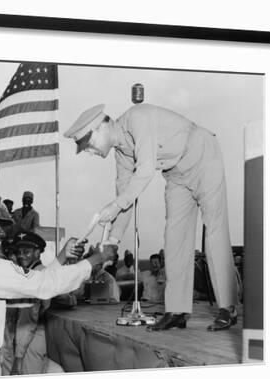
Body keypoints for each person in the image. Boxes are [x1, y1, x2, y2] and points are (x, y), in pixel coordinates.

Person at [64, 103, 238, 331]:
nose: (89, 151)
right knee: (174, 239)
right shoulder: (122, 155)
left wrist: (115, 206)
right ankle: (177, 311)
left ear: (100, 128)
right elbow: (127, 198)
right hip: (175, 174)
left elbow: (145, 171)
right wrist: (112, 240)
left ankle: (228, 308)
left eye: (88, 144)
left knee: (214, 230)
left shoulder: (137, 118)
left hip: (201, 153)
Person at [0, 195, 116, 378]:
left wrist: (63, 256)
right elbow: (43, 285)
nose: (1, 233)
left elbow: (33, 286)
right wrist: (96, 259)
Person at [0, 231, 59, 375]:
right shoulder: (27, 273)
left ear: (38, 252)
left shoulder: (37, 275)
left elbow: (29, 319)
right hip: (19, 338)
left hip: (30, 341)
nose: (21, 255)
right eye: (19, 251)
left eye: (26, 251)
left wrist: (18, 358)